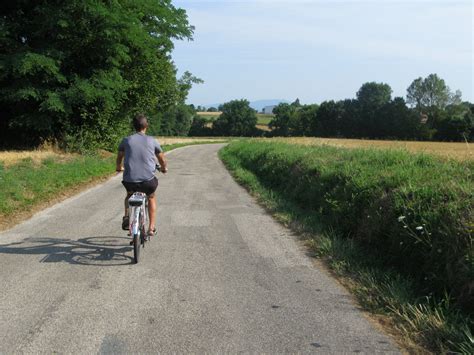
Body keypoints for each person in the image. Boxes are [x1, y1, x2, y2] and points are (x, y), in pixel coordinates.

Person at [116, 114, 167, 237]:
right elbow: (162, 159)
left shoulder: (126, 140)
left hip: (130, 181)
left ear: (134, 127)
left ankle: (127, 216)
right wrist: (164, 168)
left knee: (129, 195)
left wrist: (118, 167)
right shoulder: (152, 140)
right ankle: (151, 228)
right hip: (148, 181)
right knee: (151, 197)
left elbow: (119, 157)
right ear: (146, 126)